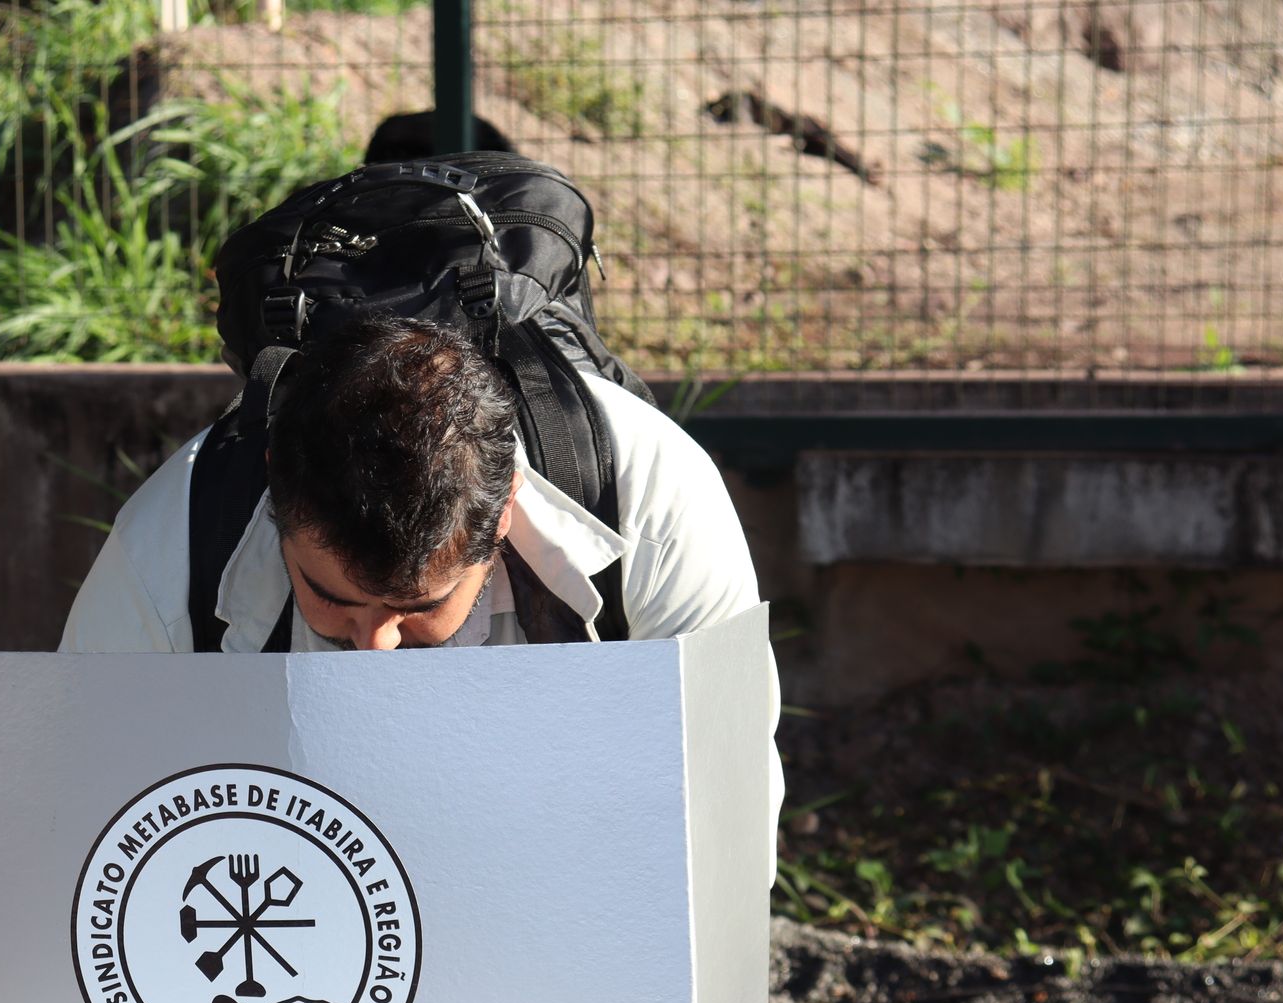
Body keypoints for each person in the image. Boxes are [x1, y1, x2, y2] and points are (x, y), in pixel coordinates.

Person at [60, 314, 784, 870]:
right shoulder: (169, 550)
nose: (375, 647)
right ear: (276, 489)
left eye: (419, 607)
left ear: (503, 514)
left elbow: (726, 816)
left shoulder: (654, 505)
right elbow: (84, 812)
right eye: (334, 598)